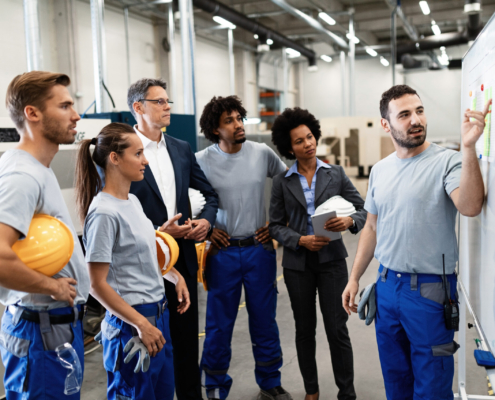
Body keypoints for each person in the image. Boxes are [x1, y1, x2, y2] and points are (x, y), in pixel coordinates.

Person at [342, 85, 490, 400]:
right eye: (405, 114)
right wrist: (354, 277)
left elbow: (470, 206)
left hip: (429, 291)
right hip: (386, 287)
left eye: (419, 111)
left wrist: (468, 149)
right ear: (386, 124)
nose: (416, 120)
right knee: (396, 381)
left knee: (432, 386)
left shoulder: (447, 162)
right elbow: (370, 226)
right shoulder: (380, 170)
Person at [75, 122, 191, 400]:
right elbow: (95, 284)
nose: (145, 160)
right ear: (114, 158)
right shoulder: (104, 213)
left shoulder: (133, 202)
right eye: (138, 153)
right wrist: (141, 324)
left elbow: (148, 251)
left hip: (156, 319)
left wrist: (176, 276)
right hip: (133, 326)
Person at [127, 78, 218, 400]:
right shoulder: (122, 151)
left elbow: (209, 194)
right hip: (139, 264)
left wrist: (205, 222)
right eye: (159, 102)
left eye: (168, 101)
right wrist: (157, 234)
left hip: (181, 259)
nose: (168, 107)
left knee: (184, 342)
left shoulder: (180, 148)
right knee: (145, 345)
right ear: (138, 108)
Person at [0, 71, 90, 399]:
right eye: (65, 106)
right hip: (40, 331)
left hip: (53, 328)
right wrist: (51, 286)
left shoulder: (38, 169)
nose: (76, 114)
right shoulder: (22, 175)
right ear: (32, 113)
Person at [196, 95, 291, 400]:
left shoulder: (262, 153)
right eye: (229, 121)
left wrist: (277, 226)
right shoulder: (201, 161)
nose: (238, 124)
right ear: (215, 130)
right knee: (219, 325)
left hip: (259, 250)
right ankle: (214, 384)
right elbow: (190, 202)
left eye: (239, 118)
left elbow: (288, 185)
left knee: (264, 320)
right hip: (221, 254)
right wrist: (208, 232)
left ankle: (269, 381)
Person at [269, 107, 365, 400]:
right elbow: (274, 226)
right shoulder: (282, 181)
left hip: (333, 261)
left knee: (337, 329)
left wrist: (349, 221)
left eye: (309, 137)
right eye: (299, 141)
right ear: (289, 147)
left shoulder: (334, 174)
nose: (307, 144)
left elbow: (362, 209)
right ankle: (311, 390)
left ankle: (346, 392)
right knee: (304, 330)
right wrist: (300, 240)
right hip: (298, 264)